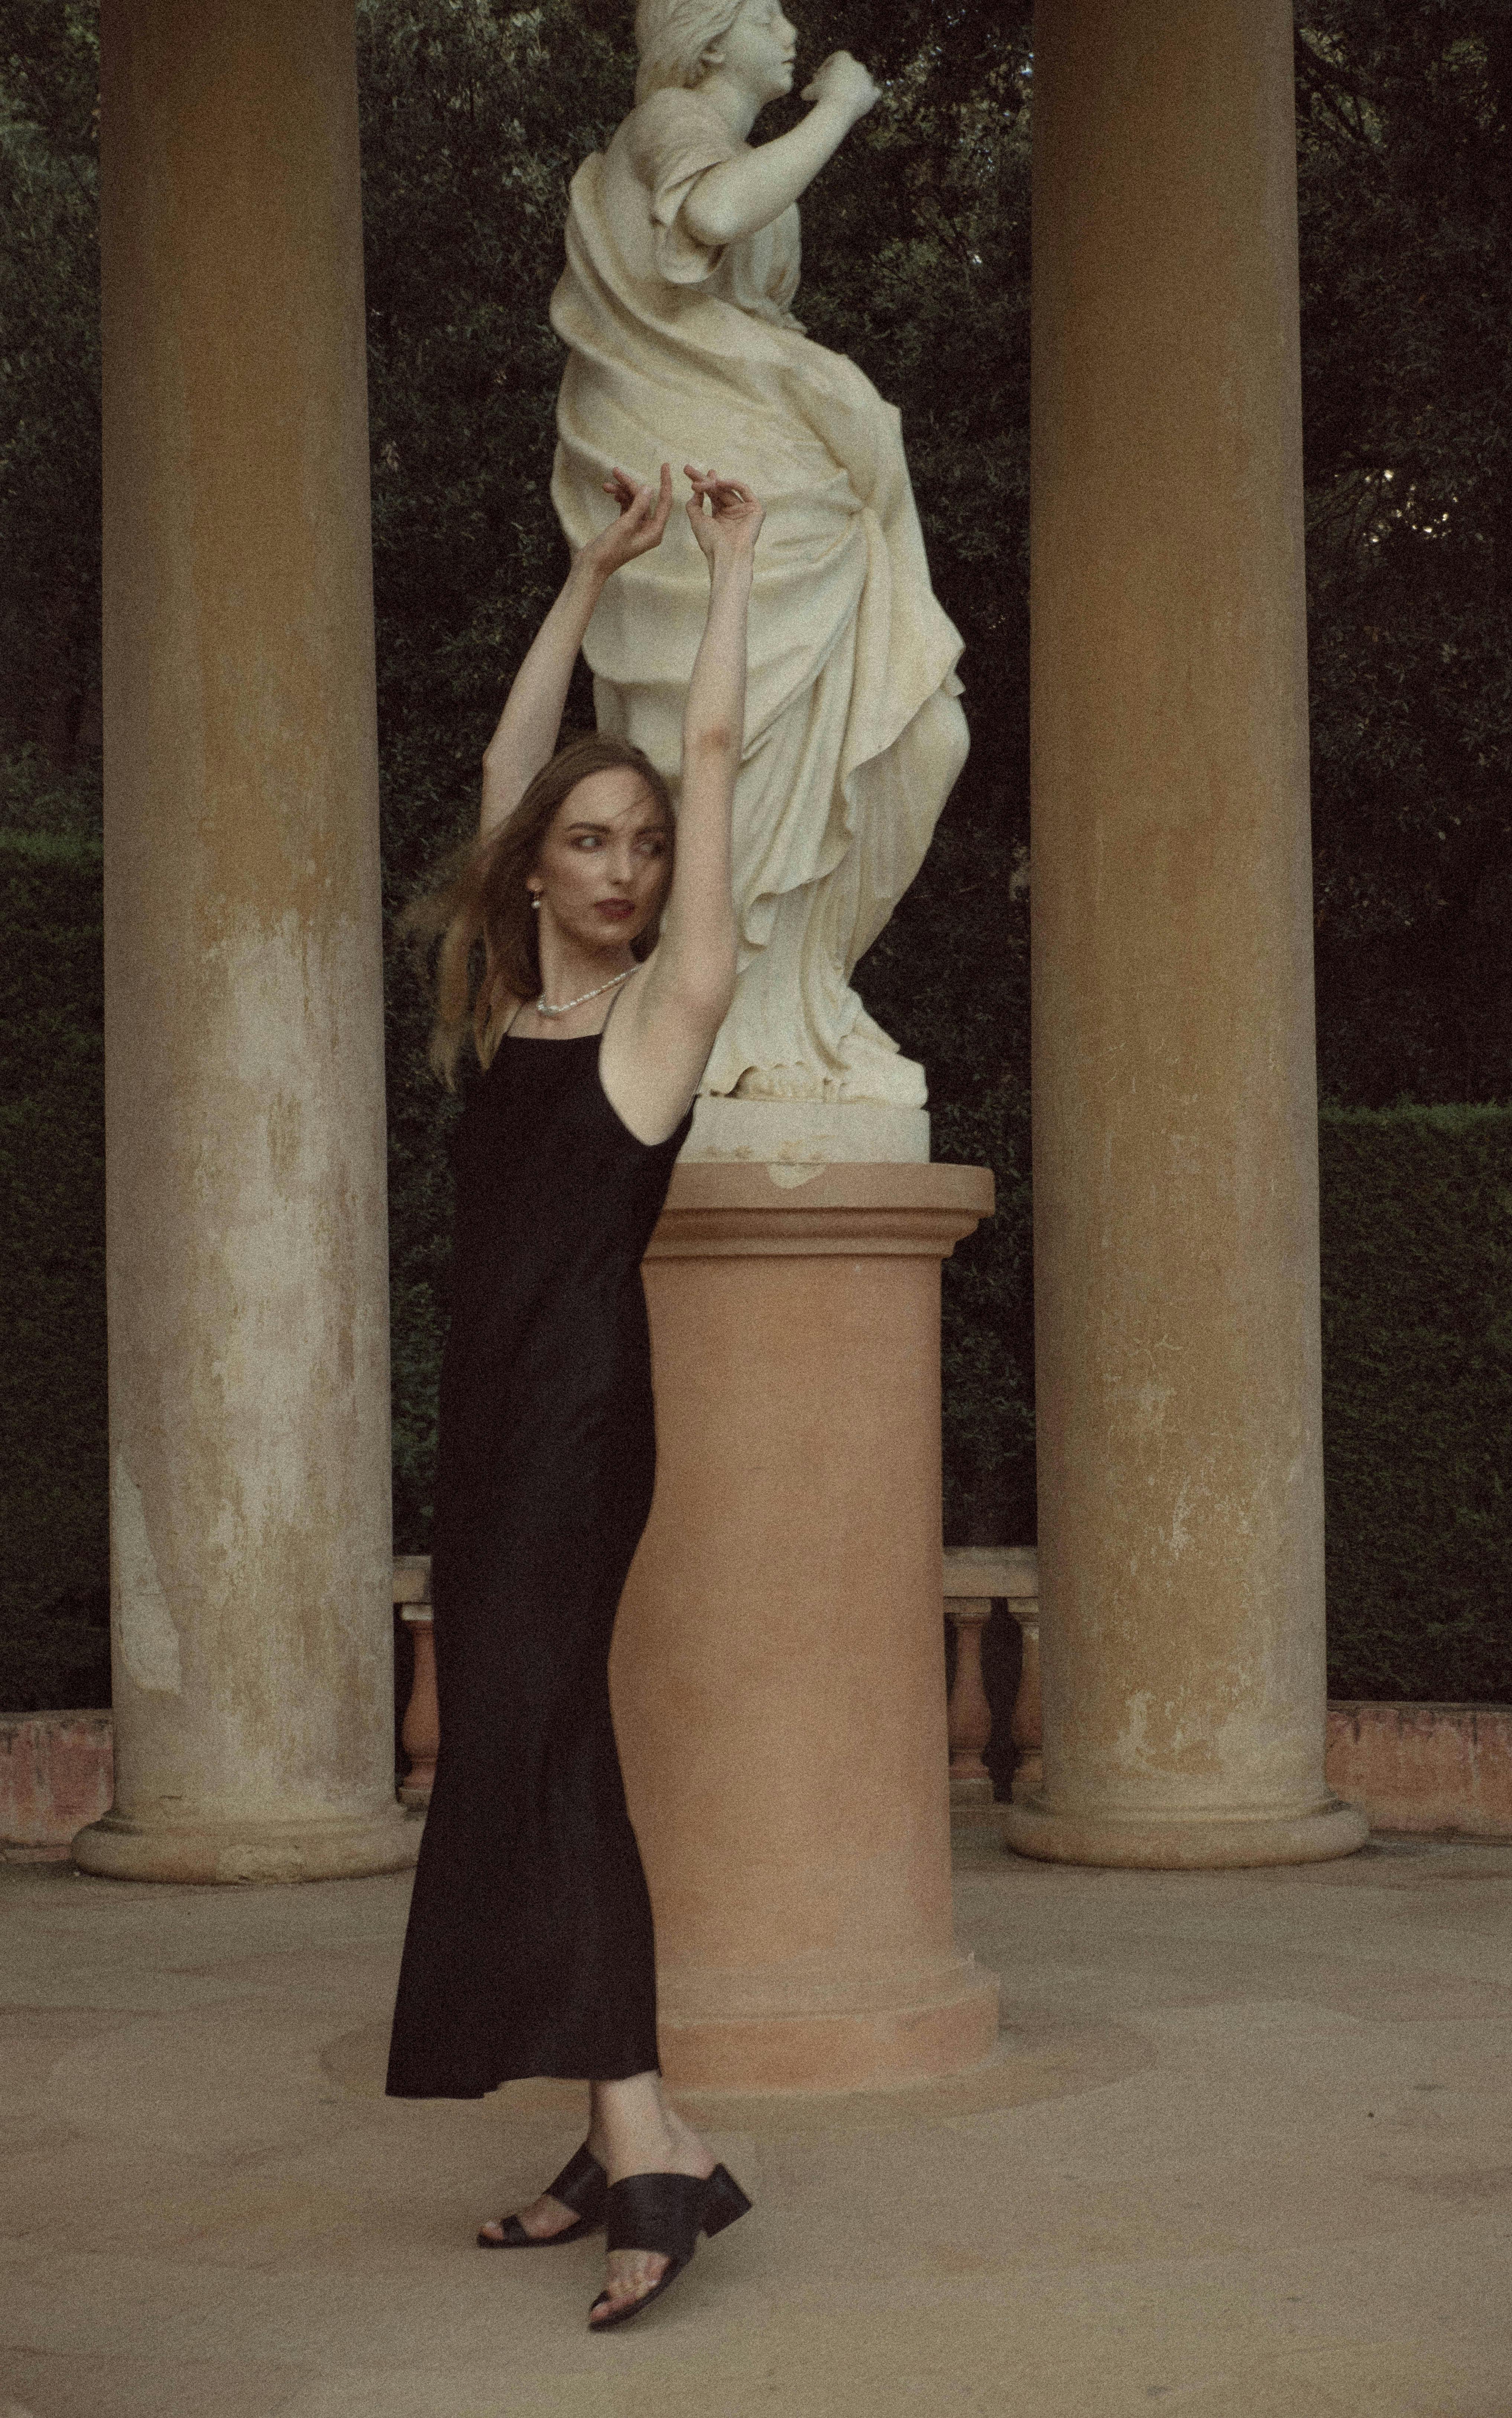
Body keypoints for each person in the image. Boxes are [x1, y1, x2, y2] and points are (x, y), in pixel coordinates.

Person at [385, 460, 763, 2331]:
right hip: (484, 1423)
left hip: (579, 1425)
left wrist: (730, 570)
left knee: (536, 1746)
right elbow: (500, 769)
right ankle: (638, 2126)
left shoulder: (656, 1015)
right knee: (543, 1750)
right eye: (592, 841)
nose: (625, 864)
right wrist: (579, 571)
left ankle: (651, 2152)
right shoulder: (515, 992)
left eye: (644, 842)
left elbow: (703, 747)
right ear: (541, 867)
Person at [551, 0, 968, 1109]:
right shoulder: (671, 125)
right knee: (734, 746)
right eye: (763, 11)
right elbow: (722, 210)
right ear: (708, 35)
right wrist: (838, 108)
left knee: (924, 737)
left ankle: (802, 996)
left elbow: (750, 298)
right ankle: (732, 1014)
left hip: (788, 473)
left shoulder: (730, 140)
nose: (789, 27)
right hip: (723, 493)